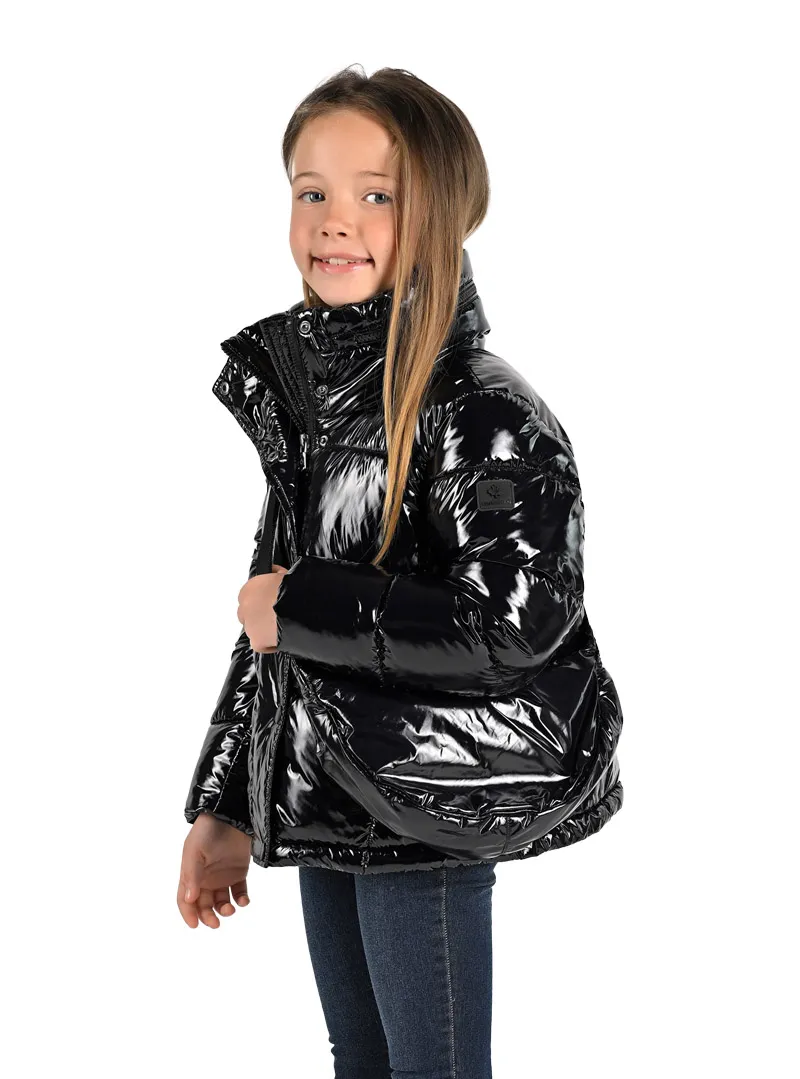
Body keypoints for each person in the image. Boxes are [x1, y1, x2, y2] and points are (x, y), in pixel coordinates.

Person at [176, 65, 624, 1079]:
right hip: (329, 794)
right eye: (311, 191)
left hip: (425, 804)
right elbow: (268, 635)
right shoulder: (321, 410)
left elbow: (514, 620)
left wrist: (303, 604)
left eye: (376, 194)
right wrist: (227, 805)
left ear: (443, 214)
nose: (335, 220)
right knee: (362, 1061)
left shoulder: (482, 411)